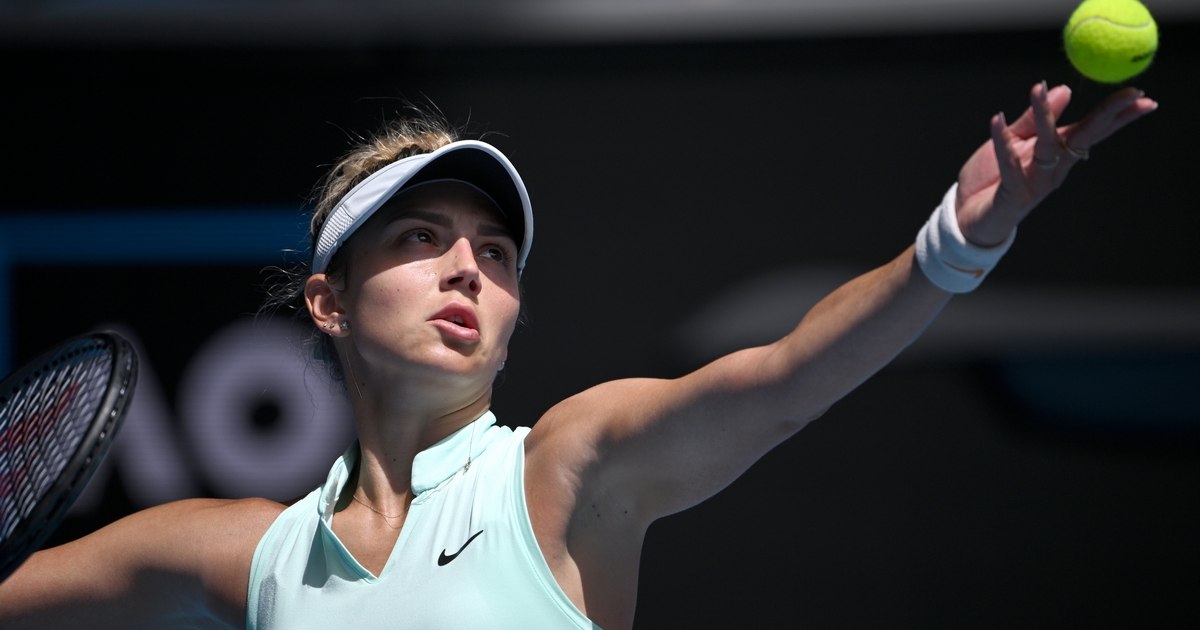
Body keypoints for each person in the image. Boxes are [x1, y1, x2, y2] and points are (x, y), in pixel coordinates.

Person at [0, 81, 1156, 629]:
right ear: (328, 303)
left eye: (495, 253)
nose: (468, 270)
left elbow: (790, 376)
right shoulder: (240, 553)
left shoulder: (563, 470)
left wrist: (959, 239)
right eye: (421, 240)